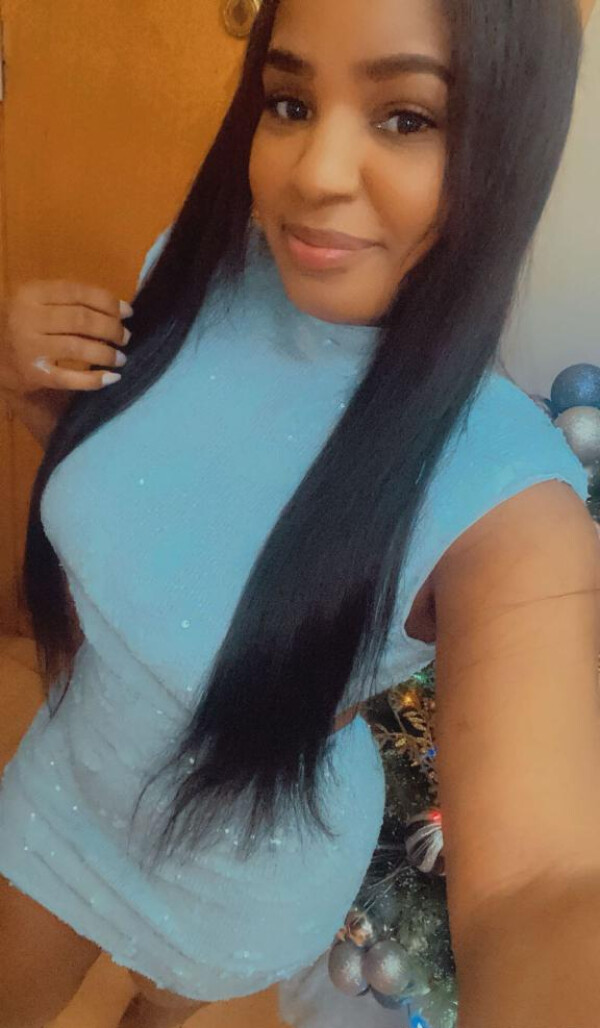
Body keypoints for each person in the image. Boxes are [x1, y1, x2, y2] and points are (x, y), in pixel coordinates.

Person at [0, 1, 598, 1027]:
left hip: (242, 874)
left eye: (406, 117)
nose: (314, 172)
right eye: (289, 101)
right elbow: (164, 509)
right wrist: (30, 382)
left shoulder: (510, 501)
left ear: (510, 137)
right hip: (65, 785)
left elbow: (542, 887)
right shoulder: (199, 272)